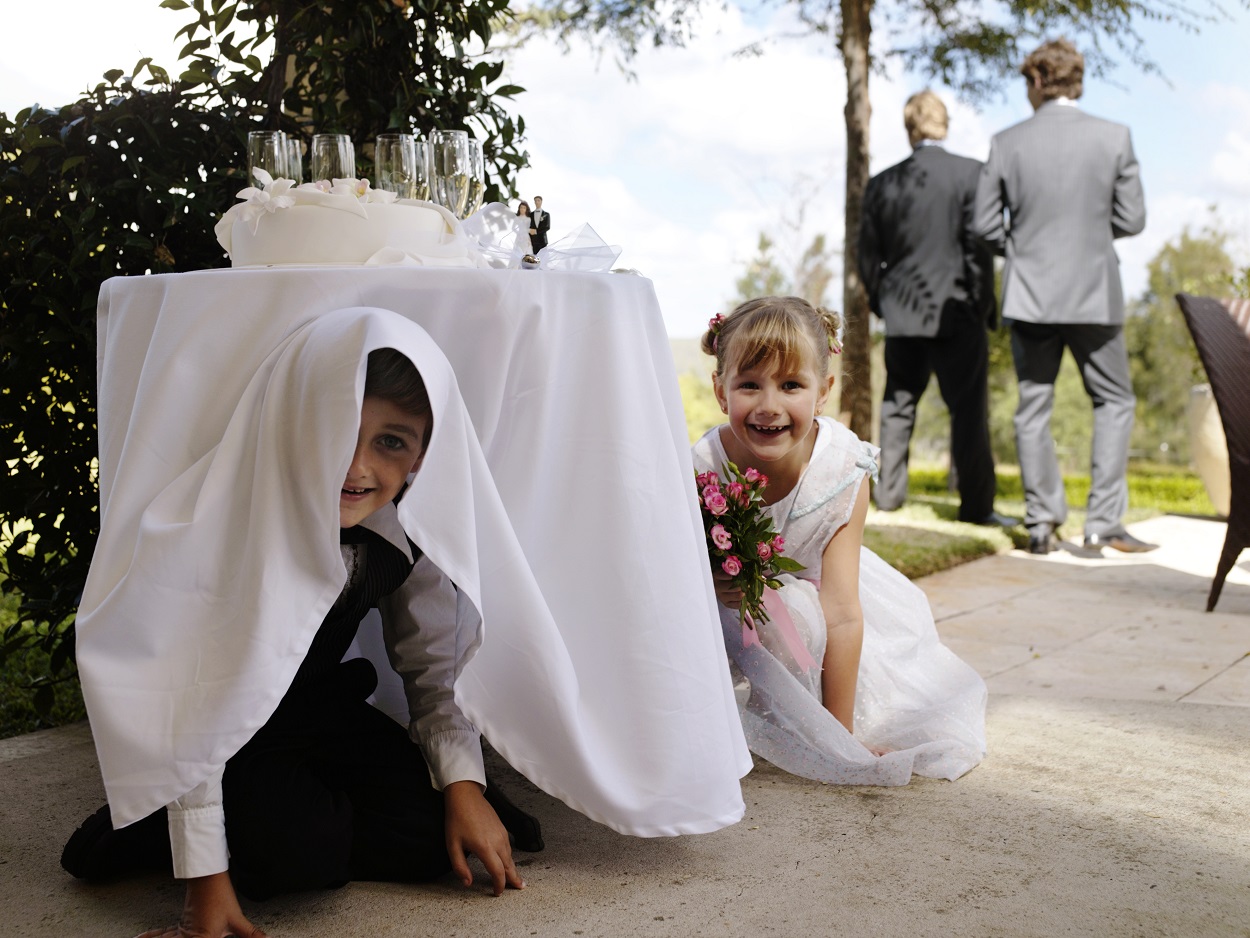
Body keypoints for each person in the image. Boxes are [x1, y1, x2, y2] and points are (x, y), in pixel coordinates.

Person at [62, 310, 537, 937]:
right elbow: (192, 698)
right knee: (298, 854)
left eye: (390, 442)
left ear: (424, 454)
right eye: (338, 430)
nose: (356, 468)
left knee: (433, 838)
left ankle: (276, 815)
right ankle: (162, 817)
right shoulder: (231, 521)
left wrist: (463, 786)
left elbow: (431, 666)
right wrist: (205, 879)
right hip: (224, 721)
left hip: (317, 707)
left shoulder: (407, 531)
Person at [692, 296, 986, 786]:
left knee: (791, 609)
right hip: (726, 609)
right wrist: (711, 579)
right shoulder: (702, 466)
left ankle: (780, 716)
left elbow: (843, 613)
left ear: (824, 391)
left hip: (815, 607)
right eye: (749, 385)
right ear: (721, 391)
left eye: (791, 385)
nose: (769, 406)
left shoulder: (842, 468)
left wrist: (839, 736)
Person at [973, 38, 1154, 555]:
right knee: (1114, 401)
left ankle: (1041, 524)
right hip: (1095, 291)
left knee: (1033, 407)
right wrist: (1089, 238)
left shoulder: (1006, 142)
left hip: (1030, 295)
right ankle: (1103, 524)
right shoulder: (1115, 136)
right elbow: (1133, 219)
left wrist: (1022, 248)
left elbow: (984, 225)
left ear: (1036, 80)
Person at [859, 90, 1013, 528]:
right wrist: (982, 305)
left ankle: (888, 497)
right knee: (968, 410)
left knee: (897, 405)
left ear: (909, 128)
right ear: (944, 124)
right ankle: (977, 507)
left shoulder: (881, 183)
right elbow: (979, 248)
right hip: (958, 311)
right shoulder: (972, 174)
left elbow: (866, 255)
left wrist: (883, 303)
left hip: (902, 315)